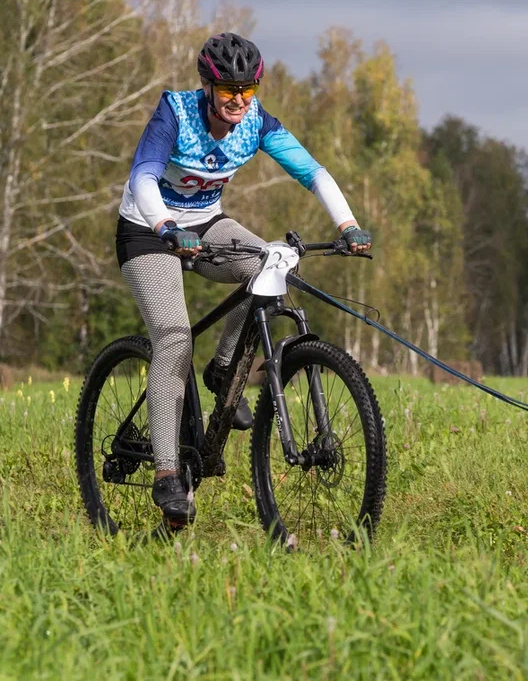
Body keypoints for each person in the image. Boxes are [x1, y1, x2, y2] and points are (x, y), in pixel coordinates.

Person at [115, 32, 372, 525]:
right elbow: (144, 176)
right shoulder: (175, 112)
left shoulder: (254, 122)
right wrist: (165, 225)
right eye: (228, 90)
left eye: (247, 91)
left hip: (207, 223)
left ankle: (224, 370)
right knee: (173, 338)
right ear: (207, 87)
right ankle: (167, 472)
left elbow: (311, 171)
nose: (238, 101)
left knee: (269, 261)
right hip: (147, 230)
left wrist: (347, 225)